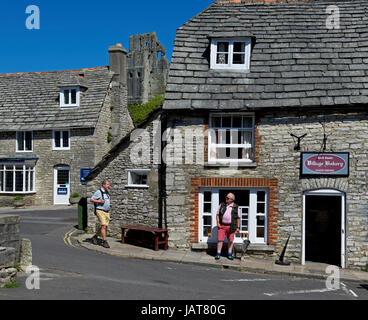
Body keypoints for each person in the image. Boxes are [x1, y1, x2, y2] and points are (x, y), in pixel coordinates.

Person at [215, 193, 241, 260]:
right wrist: (218, 223)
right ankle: (218, 254)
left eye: (228, 198)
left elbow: (238, 218)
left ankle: (229, 254)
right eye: (226, 197)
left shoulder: (236, 207)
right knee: (220, 240)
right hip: (222, 225)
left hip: (231, 226)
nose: (226, 199)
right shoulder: (222, 205)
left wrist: (238, 227)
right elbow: (217, 214)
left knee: (230, 240)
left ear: (232, 200)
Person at [90, 180, 111, 249]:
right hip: (100, 211)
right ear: (103, 185)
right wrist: (99, 201)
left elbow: (106, 200)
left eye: (109, 184)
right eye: (107, 184)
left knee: (104, 227)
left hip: (107, 211)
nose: (109, 186)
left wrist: (109, 201)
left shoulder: (107, 192)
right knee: (104, 226)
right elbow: (91, 199)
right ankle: (104, 241)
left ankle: (95, 237)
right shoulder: (98, 192)